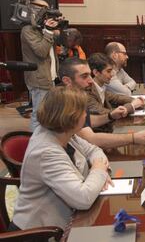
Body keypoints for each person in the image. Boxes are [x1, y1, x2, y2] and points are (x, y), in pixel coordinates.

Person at [10, 87, 112, 230]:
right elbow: (83, 199)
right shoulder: (46, 151)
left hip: (69, 219)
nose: (86, 115)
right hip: (39, 233)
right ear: (71, 116)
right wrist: (98, 171)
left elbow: (94, 150)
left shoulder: (64, 132)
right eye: (84, 111)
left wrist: (99, 170)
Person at [59, 58, 145, 148]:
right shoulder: (62, 103)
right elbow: (91, 139)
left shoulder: (75, 96)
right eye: (84, 76)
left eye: (90, 75)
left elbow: (90, 121)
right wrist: (134, 138)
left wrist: (110, 116)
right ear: (67, 81)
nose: (90, 81)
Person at [21, 0, 60, 131]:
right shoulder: (28, 30)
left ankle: (44, 142)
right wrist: (48, 31)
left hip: (50, 76)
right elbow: (41, 52)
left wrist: (54, 30)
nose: (47, 14)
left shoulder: (44, 29)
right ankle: (35, 146)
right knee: (39, 115)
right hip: (39, 78)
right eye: (45, 10)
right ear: (34, 11)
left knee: (48, 114)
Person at [87, 53, 145, 133]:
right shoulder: (88, 92)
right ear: (96, 72)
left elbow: (117, 98)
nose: (112, 75)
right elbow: (103, 113)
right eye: (108, 71)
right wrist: (131, 106)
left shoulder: (101, 87)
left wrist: (137, 100)